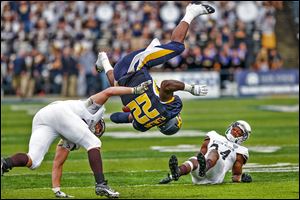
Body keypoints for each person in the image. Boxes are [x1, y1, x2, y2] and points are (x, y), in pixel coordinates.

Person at [1, 80, 151, 198]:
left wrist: (57, 189)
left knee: (33, 161)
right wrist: (134, 90)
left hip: (44, 116)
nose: (97, 129)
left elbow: (58, 162)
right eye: (99, 127)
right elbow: (109, 91)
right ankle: (101, 184)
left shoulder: (71, 134)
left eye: (99, 130)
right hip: (60, 112)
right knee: (94, 143)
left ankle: (5, 163)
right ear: (99, 123)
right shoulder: (93, 109)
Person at [95, 2, 215, 135]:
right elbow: (115, 118)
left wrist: (191, 89)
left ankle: (191, 12)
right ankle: (103, 59)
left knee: (178, 47)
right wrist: (133, 113)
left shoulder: (168, 110)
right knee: (117, 87)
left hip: (135, 65)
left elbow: (166, 84)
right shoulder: (142, 125)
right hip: (119, 75)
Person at [159, 120, 253, 185]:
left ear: (243, 137)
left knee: (214, 152)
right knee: (194, 159)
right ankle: (176, 173)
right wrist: (198, 163)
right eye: (234, 129)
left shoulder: (241, 150)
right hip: (200, 175)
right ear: (231, 128)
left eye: (239, 132)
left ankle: (204, 168)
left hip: (216, 176)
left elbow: (236, 175)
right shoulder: (214, 135)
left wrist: (241, 178)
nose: (235, 132)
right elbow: (201, 155)